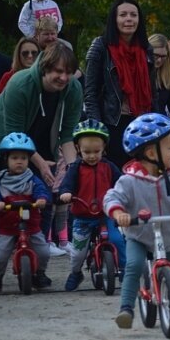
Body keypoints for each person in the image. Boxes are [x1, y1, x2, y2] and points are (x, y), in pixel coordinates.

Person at [0, 43, 81, 288]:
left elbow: (68, 135)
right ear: (44, 69)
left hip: (41, 144)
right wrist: (40, 164)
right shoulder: (20, 83)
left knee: (44, 201)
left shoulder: (73, 89)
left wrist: (74, 171)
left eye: (68, 72)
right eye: (57, 72)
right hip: (3, 142)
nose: (63, 77)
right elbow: (14, 132)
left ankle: (37, 267)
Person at [103, 113, 170, 328]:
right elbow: (112, 197)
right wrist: (119, 213)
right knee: (135, 264)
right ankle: (126, 308)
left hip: (169, 235)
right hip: (139, 234)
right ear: (150, 152)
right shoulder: (129, 180)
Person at [84, 0, 157, 167]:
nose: (129, 19)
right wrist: (98, 131)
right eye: (123, 15)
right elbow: (90, 93)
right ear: (114, 19)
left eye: (133, 15)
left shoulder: (146, 49)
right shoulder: (100, 46)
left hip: (140, 124)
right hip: (111, 124)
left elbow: (154, 94)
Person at [58, 119, 125, 291]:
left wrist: (125, 193)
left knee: (118, 239)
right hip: (82, 215)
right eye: (87, 152)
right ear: (78, 149)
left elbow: (121, 183)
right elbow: (67, 184)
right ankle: (75, 272)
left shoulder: (108, 167)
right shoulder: (75, 168)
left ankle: (125, 269)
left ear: (104, 149)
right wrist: (66, 193)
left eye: (97, 151)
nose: (92, 156)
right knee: (78, 252)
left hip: (106, 214)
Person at [0, 133, 51, 293]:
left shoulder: (32, 180)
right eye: (14, 158)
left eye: (23, 158)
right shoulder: (0, 182)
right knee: (0, 254)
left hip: (31, 225)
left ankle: (39, 274)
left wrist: (42, 199)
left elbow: (42, 191)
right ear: (6, 159)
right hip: (8, 225)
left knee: (43, 250)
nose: (19, 161)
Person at [148, 33, 170, 123]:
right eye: (156, 55)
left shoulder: (168, 76)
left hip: (160, 124)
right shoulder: (136, 73)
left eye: (163, 56)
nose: (159, 60)